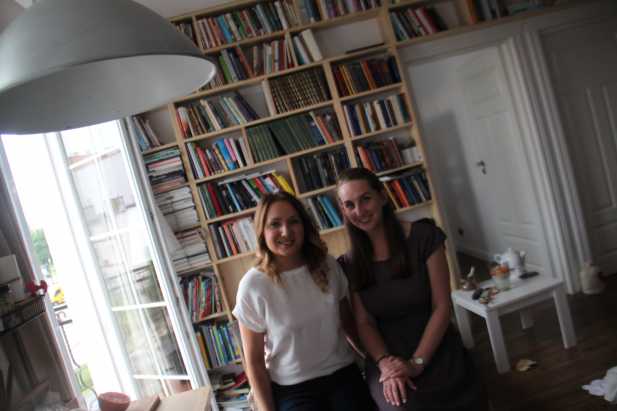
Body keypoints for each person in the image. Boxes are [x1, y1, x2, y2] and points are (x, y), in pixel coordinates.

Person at [336, 167, 487, 411]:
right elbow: (364, 322)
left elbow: (441, 307)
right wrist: (385, 364)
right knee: (401, 406)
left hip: (434, 343)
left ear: (382, 196)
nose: (359, 211)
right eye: (349, 205)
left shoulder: (425, 236)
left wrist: (417, 363)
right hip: (386, 352)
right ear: (343, 210)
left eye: (366, 199)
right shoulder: (348, 264)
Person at [233, 191, 372, 411]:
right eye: (275, 224)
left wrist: (379, 361)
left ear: (304, 226)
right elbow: (254, 363)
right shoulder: (253, 286)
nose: (286, 231)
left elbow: (349, 326)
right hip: (292, 388)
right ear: (262, 231)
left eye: (293, 222)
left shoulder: (327, 265)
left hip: (343, 376)